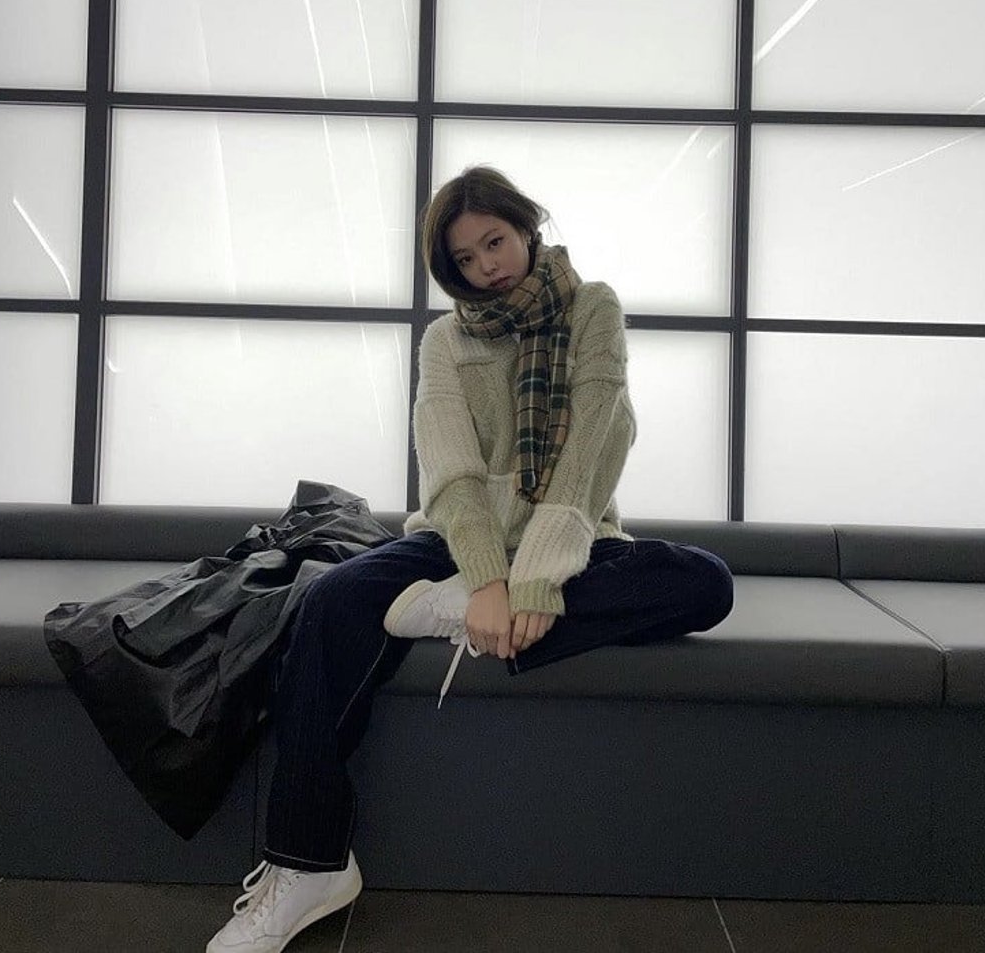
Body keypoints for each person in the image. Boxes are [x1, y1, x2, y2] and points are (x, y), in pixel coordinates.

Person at [206, 166, 734, 953]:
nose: (488, 266)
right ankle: (310, 864)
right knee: (331, 601)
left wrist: (532, 582)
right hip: (458, 540)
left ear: (526, 228)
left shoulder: (593, 308)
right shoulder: (445, 340)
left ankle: (453, 611)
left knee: (705, 583)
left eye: (495, 241)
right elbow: (451, 474)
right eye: (466, 258)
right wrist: (487, 578)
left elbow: (593, 453)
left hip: (571, 535)